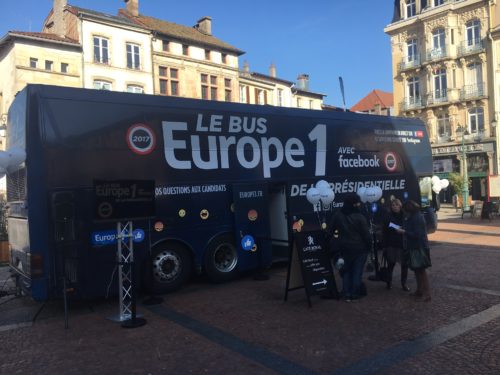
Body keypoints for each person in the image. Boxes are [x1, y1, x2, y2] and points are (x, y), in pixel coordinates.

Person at [329, 193, 372, 302]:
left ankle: (346, 293)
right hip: (359, 248)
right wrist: (369, 245)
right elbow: (366, 235)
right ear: (355, 204)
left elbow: (331, 231)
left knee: (345, 271)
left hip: (343, 248)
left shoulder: (338, 215)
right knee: (357, 272)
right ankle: (354, 293)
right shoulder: (360, 217)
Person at [396, 200, 432, 302]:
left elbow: (417, 234)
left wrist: (404, 231)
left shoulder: (416, 218)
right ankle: (420, 290)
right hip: (415, 246)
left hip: (418, 247)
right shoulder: (414, 216)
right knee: (417, 269)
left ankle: (427, 293)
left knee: (421, 270)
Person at [381, 199, 409, 291]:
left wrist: (399, 228)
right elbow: (387, 227)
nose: (395, 206)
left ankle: (403, 284)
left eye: (396, 205)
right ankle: (388, 283)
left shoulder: (405, 216)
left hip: (402, 244)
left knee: (404, 265)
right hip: (391, 244)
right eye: (393, 205)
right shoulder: (388, 216)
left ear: (400, 206)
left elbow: (407, 227)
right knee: (391, 264)